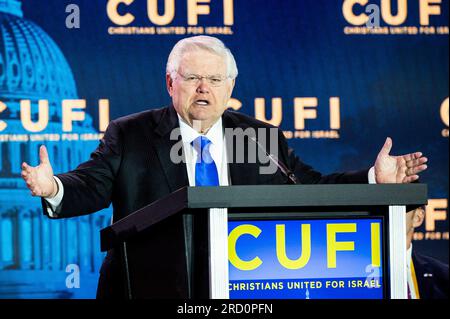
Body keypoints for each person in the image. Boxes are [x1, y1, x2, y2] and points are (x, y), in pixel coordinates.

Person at [21, 36, 428, 298]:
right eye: (194, 78)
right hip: (150, 287)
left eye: (216, 80)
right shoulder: (131, 134)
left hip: (244, 290)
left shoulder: (258, 137)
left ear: (230, 88)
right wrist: (53, 186)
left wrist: (375, 180)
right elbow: (91, 185)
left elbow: (309, 185)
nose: (205, 89)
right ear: (170, 83)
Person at [406, 206, 448, 299]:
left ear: (417, 217)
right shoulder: (367, 271)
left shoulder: (444, 277)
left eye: (399, 202)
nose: (389, 209)